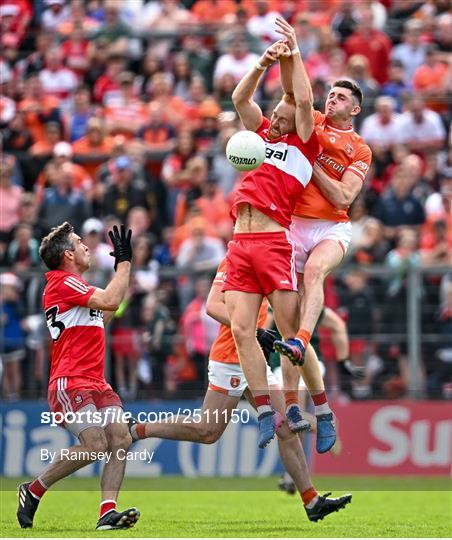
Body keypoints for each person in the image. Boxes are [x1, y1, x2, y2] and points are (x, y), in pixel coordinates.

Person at [130, 258, 352, 522]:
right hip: (230, 359)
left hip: (255, 357)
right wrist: (256, 331)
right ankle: (137, 429)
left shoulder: (272, 259)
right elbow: (212, 306)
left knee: (286, 428)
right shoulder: (234, 261)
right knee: (207, 431)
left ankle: (311, 500)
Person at [271, 18, 372, 451]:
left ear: (355, 108)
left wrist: (311, 164)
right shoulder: (311, 120)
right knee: (285, 320)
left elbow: (346, 195)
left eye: (342, 96)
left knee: (315, 274)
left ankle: (303, 342)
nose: (333, 99)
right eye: (331, 93)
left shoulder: (361, 148)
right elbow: (294, 95)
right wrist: (287, 55)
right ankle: (299, 406)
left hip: (332, 225)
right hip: (293, 225)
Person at [224, 39, 321, 449]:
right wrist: (264, 62)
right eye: (274, 117)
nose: (276, 123)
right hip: (239, 243)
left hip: (272, 241)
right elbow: (238, 96)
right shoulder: (259, 135)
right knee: (242, 329)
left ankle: (297, 406)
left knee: (286, 332)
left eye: (282, 117)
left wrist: (294, 55)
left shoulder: (303, 143)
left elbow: (302, 100)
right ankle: (265, 410)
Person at [17, 222, 140, 531]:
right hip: (70, 381)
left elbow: (105, 316)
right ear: (68, 254)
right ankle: (33, 491)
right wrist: (124, 263)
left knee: (120, 437)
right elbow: (111, 302)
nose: (87, 246)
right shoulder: (62, 281)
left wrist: (121, 277)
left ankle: (106, 514)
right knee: (96, 443)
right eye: (80, 242)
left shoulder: (75, 288)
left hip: (96, 381)